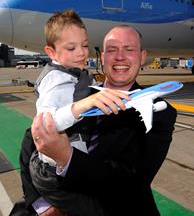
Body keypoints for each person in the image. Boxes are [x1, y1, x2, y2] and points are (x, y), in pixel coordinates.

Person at [19, 25, 177, 216]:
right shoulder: (78, 92)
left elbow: (132, 181)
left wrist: (66, 157)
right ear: (102, 57)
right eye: (112, 50)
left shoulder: (160, 112)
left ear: (142, 57)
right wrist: (42, 206)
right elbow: (31, 138)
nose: (120, 57)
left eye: (129, 49)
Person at [26, 10, 131, 216]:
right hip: (53, 174)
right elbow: (47, 124)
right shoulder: (56, 78)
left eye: (84, 45)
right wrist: (83, 105)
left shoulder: (76, 74)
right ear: (51, 52)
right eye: (71, 47)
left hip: (73, 169)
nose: (82, 53)